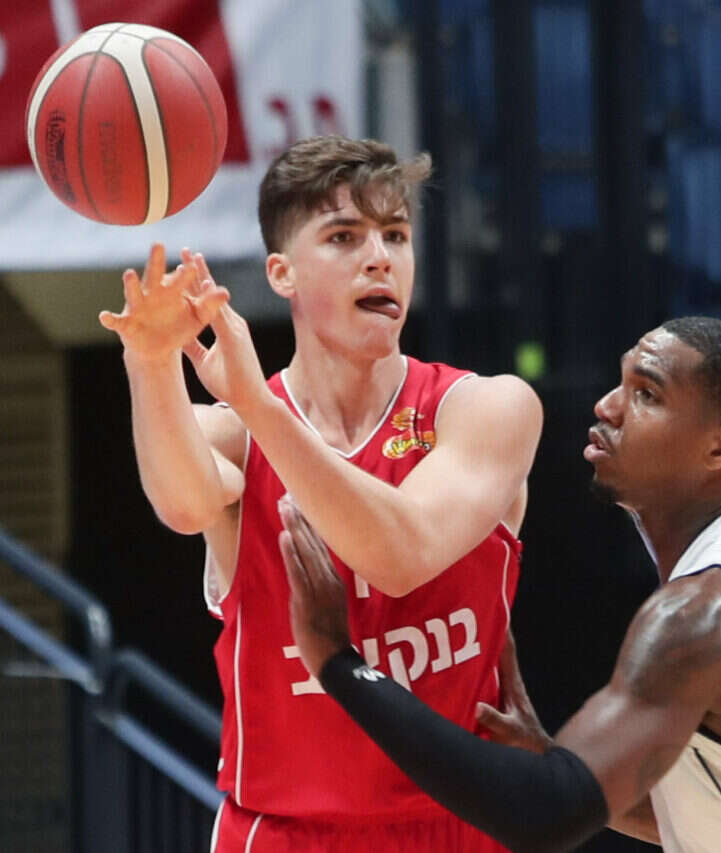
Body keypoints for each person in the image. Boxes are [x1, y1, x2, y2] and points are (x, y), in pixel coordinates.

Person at [278, 316, 721, 852]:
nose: (608, 405)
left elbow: (542, 817)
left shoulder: (709, 612)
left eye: (647, 394)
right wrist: (551, 757)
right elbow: (713, 817)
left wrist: (339, 662)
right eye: (622, 382)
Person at [97, 136, 542, 852]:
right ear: (283, 272)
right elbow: (182, 504)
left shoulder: (486, 408)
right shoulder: (235, 434)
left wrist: (259, 406)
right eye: (344, 236)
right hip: (288, 832)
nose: (380, 257)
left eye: (395, 235)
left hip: (461, 824)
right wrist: (149, 362)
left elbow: (401, 555)